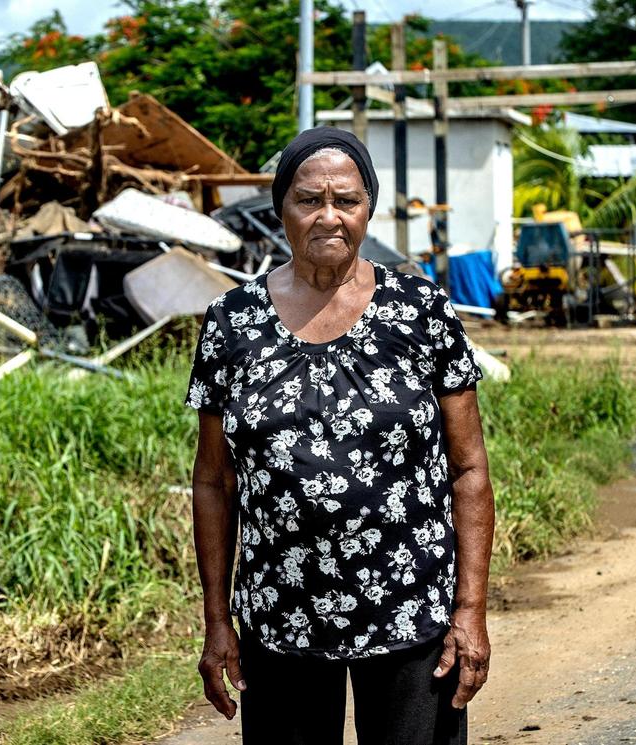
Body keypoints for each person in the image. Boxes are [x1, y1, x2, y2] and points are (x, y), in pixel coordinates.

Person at [185, 127, 494, 744]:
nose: (329, 216)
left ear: (368, 208)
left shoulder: (422, 310)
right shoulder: (232, 322)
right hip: (282, 619)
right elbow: (214, 481)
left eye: (346, 201)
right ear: (281, 209)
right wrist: (218, 620)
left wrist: (470, 610)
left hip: (412, 613)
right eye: (309, 200)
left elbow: (469, 469)